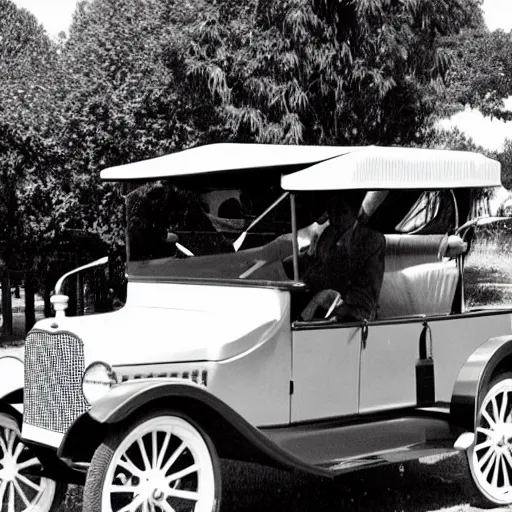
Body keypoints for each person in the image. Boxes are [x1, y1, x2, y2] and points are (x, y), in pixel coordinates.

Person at [299, 192, 386, 323]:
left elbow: (363, 295)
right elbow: (315, 271)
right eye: (332, 212)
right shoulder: (327, 235)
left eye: (343, 212)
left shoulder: (371, 240)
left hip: (354, 315)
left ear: (356, 212)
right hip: (322, 305)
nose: (335, 219)